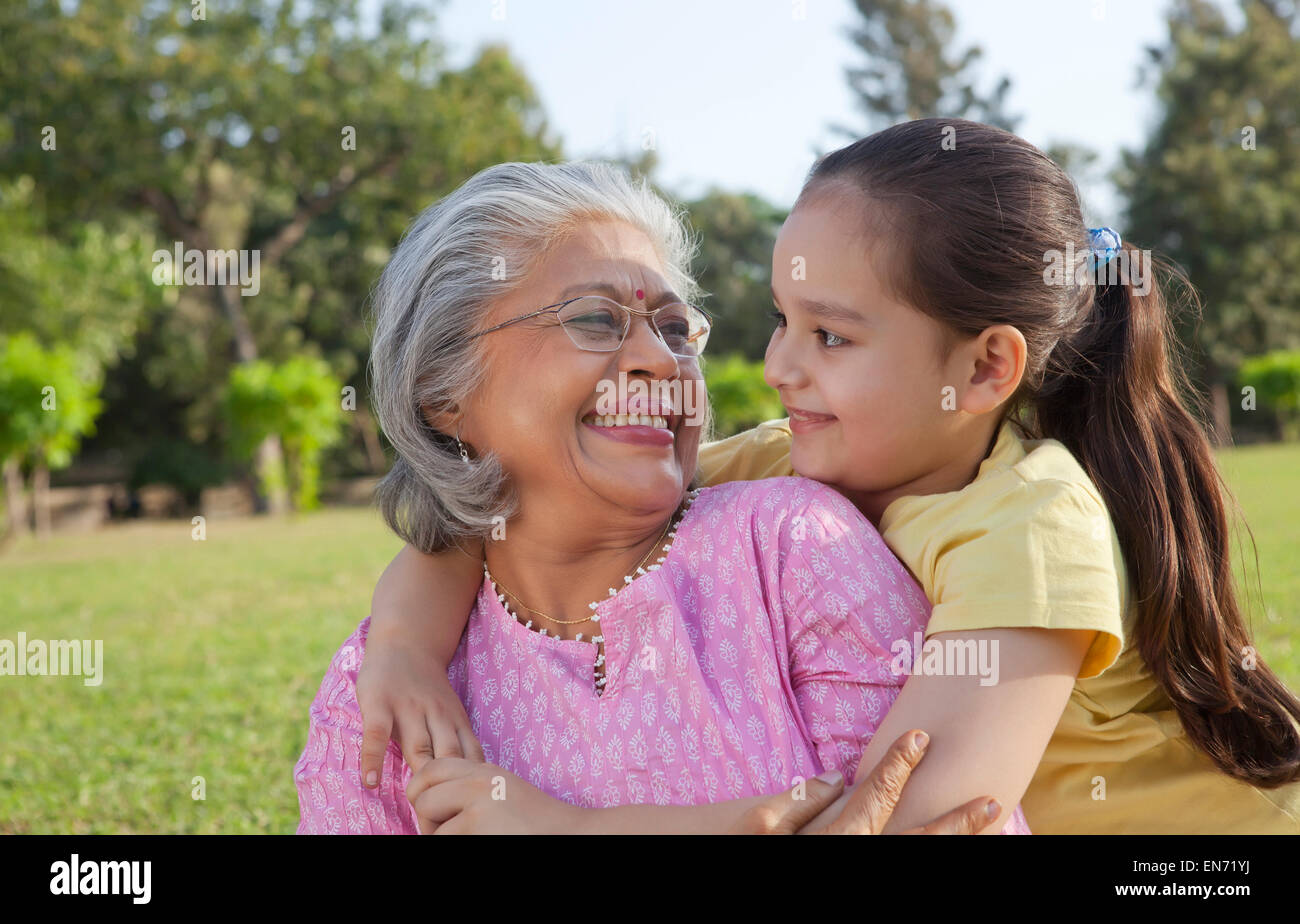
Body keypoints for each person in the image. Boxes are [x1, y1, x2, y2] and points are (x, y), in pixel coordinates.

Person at [360, 120, 1300, 833]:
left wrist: (567, 827)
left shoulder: (1031, 525)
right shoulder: (792, 457)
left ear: (982, 371)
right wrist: (402, 645)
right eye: (779, 319)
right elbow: (509, 509)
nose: (778, 366)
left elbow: (898, 823)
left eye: (831, 335)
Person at [294, 159, 1025, 834]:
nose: (659, 360)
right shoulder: (390, 691)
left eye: (676, 329)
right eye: (593, 318)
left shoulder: (798, 549)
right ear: (444, 394)